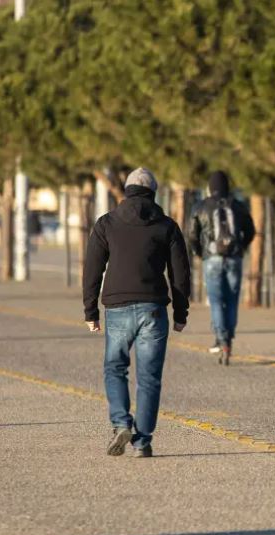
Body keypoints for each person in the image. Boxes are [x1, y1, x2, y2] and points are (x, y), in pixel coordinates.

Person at [82, 167, 191, 458]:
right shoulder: (167, 226)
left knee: (114, 367)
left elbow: (92, 269)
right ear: (153, 193)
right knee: (149, 377)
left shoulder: (107, 224)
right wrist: (181, 312)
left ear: (127, 191)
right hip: (154, 309)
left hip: (117, 307)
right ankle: (142, 442)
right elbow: (180, 273)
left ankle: (120, 423)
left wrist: (90, 310)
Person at [188, 171, 255, 364]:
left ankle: (221, 339)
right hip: (234, 257)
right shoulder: (238, 206)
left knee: (216, 300)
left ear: (210, 187)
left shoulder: (201, 206)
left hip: (212, 258)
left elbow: (192, 234)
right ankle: (229, 338)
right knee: (232, 300)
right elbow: (250, 231)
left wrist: (200, 253)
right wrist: (241, 247)